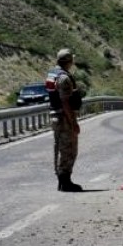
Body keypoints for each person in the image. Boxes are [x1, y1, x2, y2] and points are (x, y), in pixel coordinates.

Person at [46, 48, 84, 192]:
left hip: (56, 117)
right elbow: (65, 102)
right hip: (63, 117)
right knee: (69, 150)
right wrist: (73, 123)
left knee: (60, 148)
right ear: (69, 61)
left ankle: (62, 180)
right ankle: (65, 181)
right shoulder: (64, 78)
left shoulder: (52, 74)